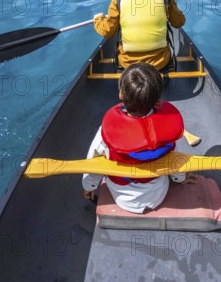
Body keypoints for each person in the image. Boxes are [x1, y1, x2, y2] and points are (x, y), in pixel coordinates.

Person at [82, 62, 197, 213]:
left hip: (122, 198)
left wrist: (89, 187)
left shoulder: (107, 131)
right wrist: (180, 179)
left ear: (121, 94)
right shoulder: (168, 129)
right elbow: (175, 160)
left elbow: (93, 163)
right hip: (158, 194)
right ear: (157, 100)